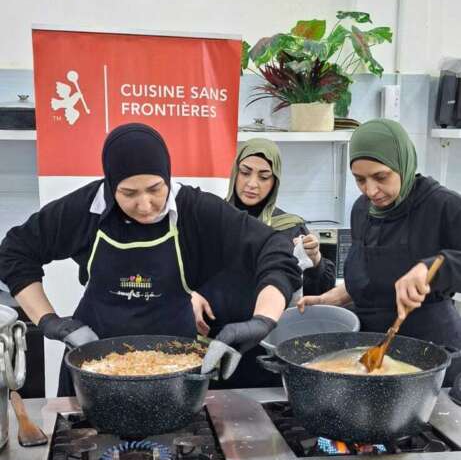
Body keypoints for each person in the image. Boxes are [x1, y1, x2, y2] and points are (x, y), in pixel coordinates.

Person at [0, 124, 301, 394]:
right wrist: (51, 322)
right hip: (93, 363)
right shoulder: (87, 209)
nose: (145, 205)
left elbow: (273, 247)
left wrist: (262, 320)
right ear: (110, 184)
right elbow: (15, 250)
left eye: (156, 189)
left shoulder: (193, 210)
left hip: (174, 369)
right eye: (128, 193)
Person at [298, 118, 461, 379]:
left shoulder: (443, 206)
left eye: (381, 177)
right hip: (372, 350)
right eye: (360, 179)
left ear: (402, 163)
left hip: (431, 353)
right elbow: (373, 273)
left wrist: (432, 267)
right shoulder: (362, 210)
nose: (371, 190)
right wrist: (337, 297)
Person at [191, 138, 336, 387]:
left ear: (275, 181)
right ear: (235, 172)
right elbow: (181, 271)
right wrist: (189, 293)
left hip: (267, 344)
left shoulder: (289, 227)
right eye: (245, 172)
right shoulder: (210, 220)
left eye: (264, 176)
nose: (252, 184)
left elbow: (317, 294)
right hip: (214, 341)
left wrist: (315, 261)